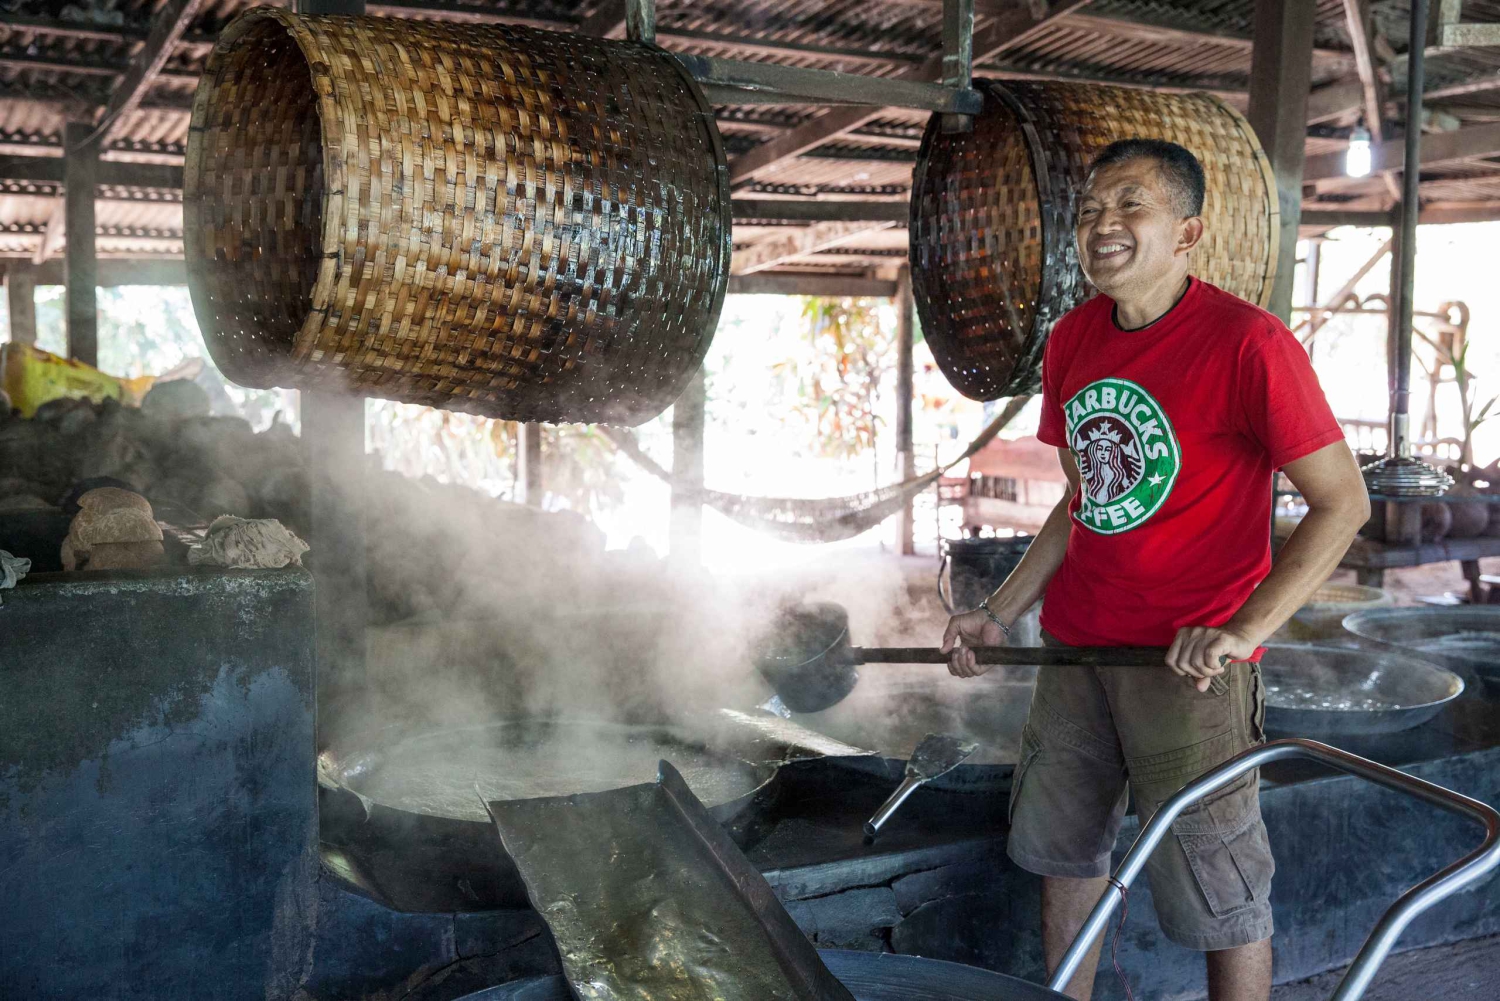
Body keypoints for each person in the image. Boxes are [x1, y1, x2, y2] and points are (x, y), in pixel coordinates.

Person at [940, 138, 1369, 1001]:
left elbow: (1343, 503)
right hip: (1076, 652)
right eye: (1091, 208)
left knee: (1221, 887)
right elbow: (1084, 500)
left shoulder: (1248, 344)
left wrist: (1243, 629)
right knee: (1065, 855)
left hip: (1189, 669)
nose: (1103, 223)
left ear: (1188, 232)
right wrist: (1001, 610)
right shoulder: (1072, 339)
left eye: (1130, 203)